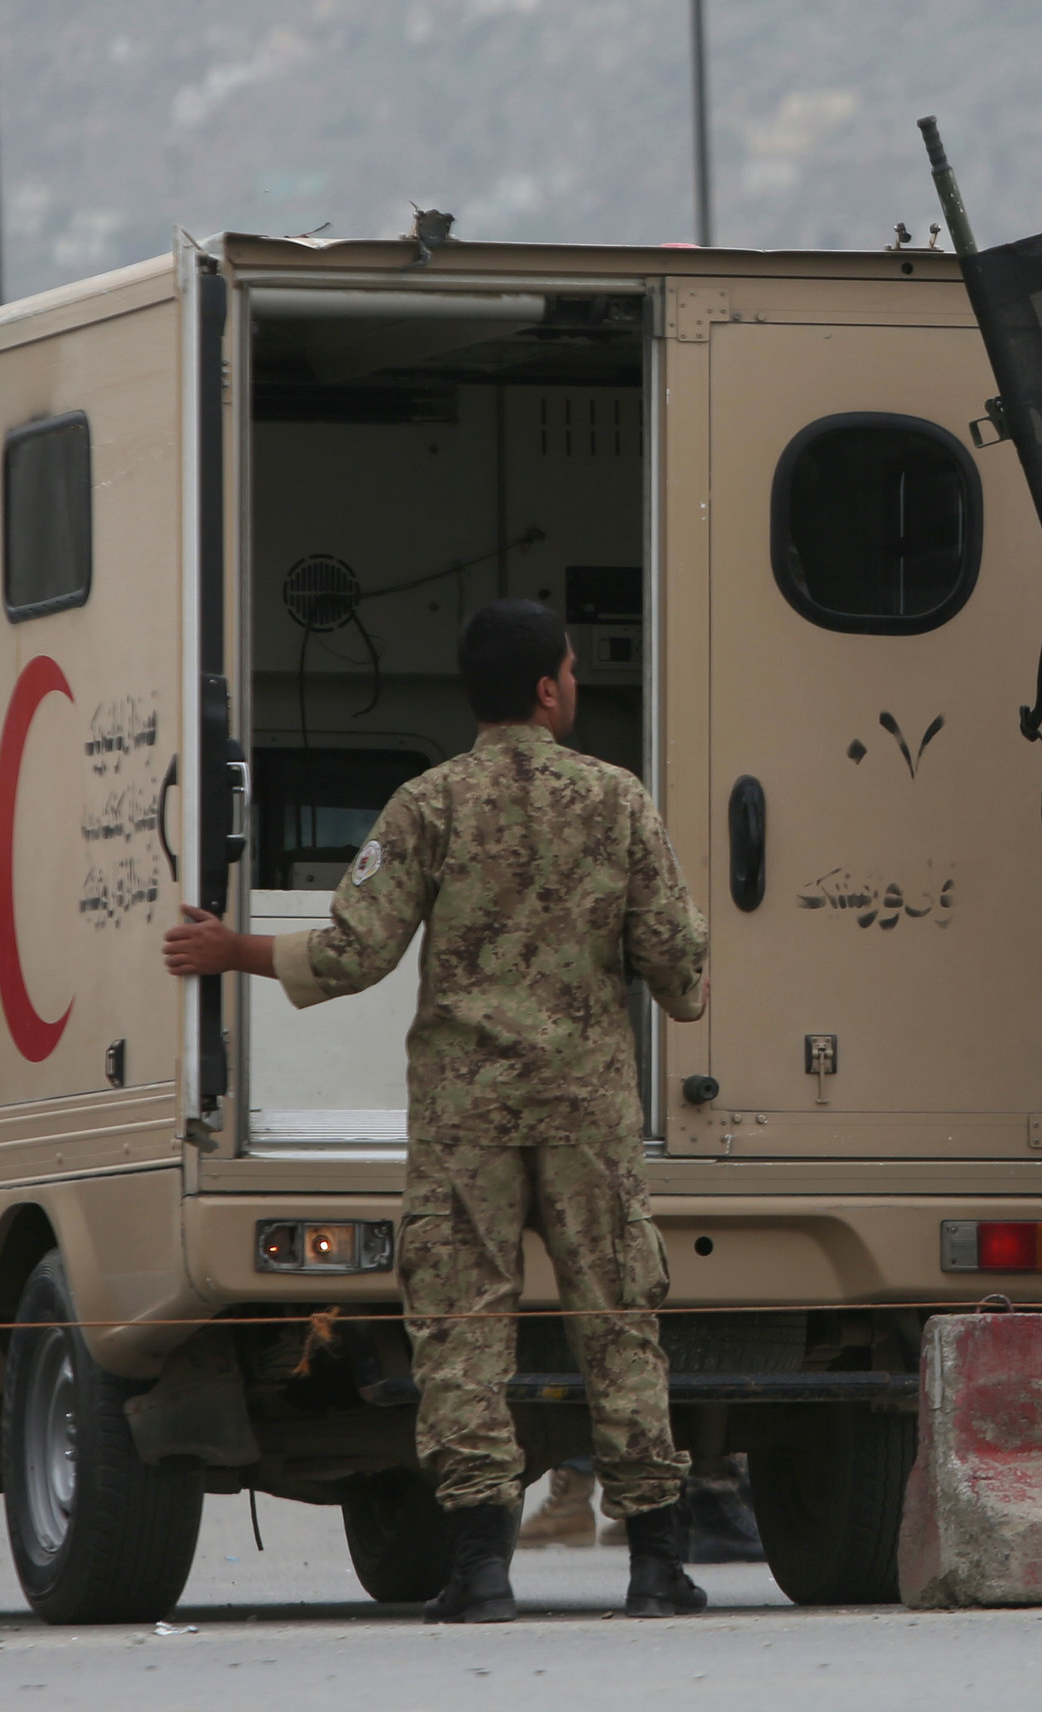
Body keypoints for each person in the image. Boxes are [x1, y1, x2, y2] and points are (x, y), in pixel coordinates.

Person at [164, 599, 709, 1625]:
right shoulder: (617, 800)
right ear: (548, 688)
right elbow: (678, 962)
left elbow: (355, 952)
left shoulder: (427, 805)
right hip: (587, 1109)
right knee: (619, 1320)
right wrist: (685, 990)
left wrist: (234, 950)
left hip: (468, 1117)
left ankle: (481, 1572)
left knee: (461, 1328)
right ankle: (655, 1567)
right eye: (574, 671)